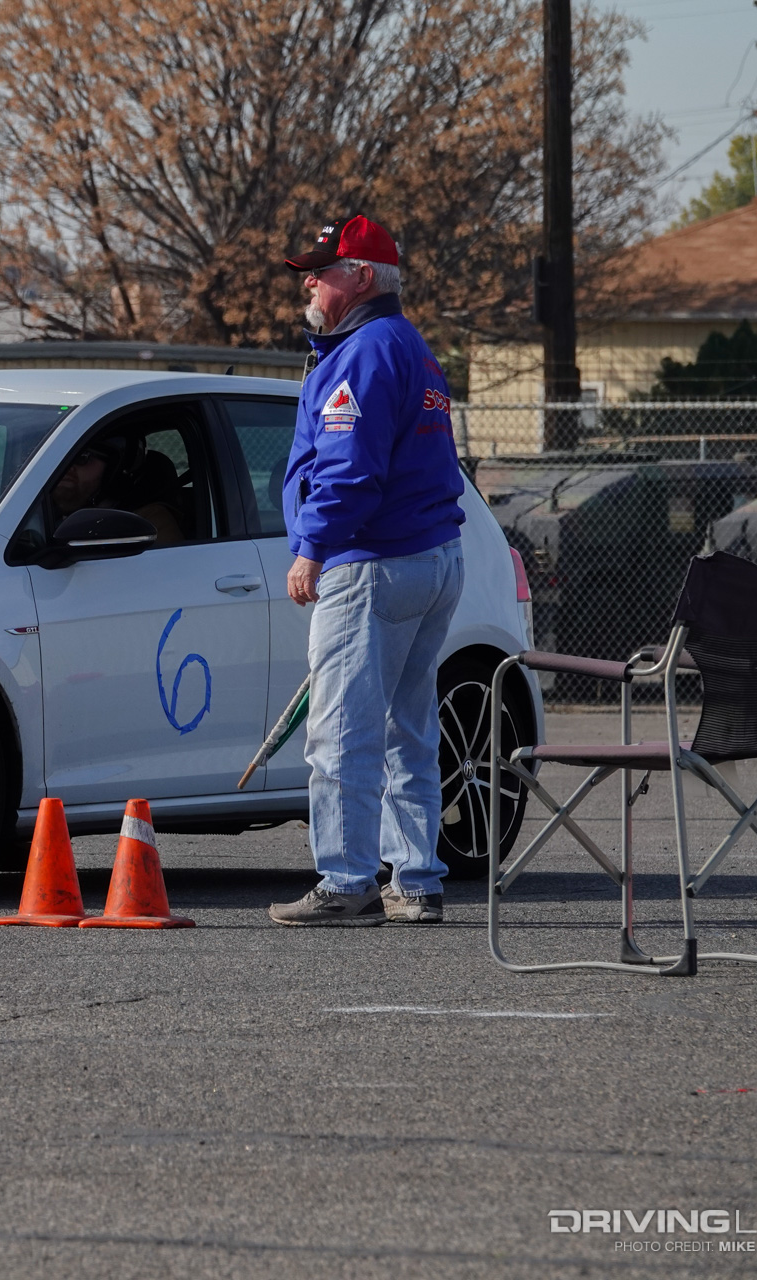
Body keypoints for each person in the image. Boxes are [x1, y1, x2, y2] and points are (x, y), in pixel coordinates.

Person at [265, 215, 467, 928]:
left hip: (374, 561)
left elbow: (350, 472)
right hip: (431, 555)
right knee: (408, 730)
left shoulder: (364, 351)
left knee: (342, 731)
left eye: (321, 271)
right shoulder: (407, 344)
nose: (310, 284)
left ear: (359, 277)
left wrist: (312, 547)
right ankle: (415, 880)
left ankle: (347, 880)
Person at [47, 437, 185, 546]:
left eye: (82, 457)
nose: (66, 467)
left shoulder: (149, 525)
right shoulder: (39, 511)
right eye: (59, 457)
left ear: (117, 470)